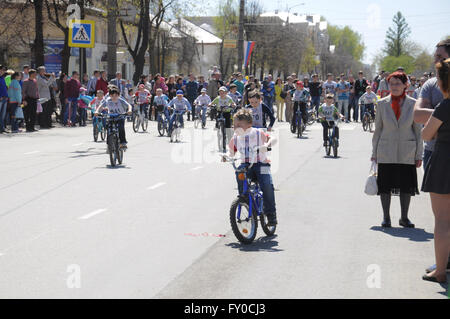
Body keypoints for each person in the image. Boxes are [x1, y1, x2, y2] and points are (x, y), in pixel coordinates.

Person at [414, 38, 450, 276]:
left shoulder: (444, 106)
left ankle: (440, 271)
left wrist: (438, 119)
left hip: (444, 161)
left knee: (442, 221)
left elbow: (426, 133)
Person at [372, 71, 423, 228]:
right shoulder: (381, 104)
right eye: (391, 84)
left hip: (407, 150)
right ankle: (386, 217)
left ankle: (404, 218)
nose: (394, 87)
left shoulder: (414, 104)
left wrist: (418, 154)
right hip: (386, 150)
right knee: (385, 185)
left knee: (406, 186)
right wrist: (374, 153)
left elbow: (418, 131)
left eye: (397, 84)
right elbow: (378, 130)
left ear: (405, 85)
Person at [226, 108, 277, 226]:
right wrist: (227, 156)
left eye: (239, 125)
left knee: (267, 185)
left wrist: (267, 146)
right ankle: (244, 198)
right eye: (234, 125)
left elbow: (273, 139)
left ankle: (271, 215)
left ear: (249, 124)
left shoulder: (257, 133)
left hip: (261, 163)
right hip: (247, 164)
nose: (235, 127)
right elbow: (231, 151)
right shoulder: (235, 138)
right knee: (239, 172)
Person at [0, 65, 8, 133]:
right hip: (0, 98)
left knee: (3, 115)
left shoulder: (2, 78)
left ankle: (2, 128)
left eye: (4, 70)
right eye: (2, 69)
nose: (3, 71)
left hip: (5, 98)